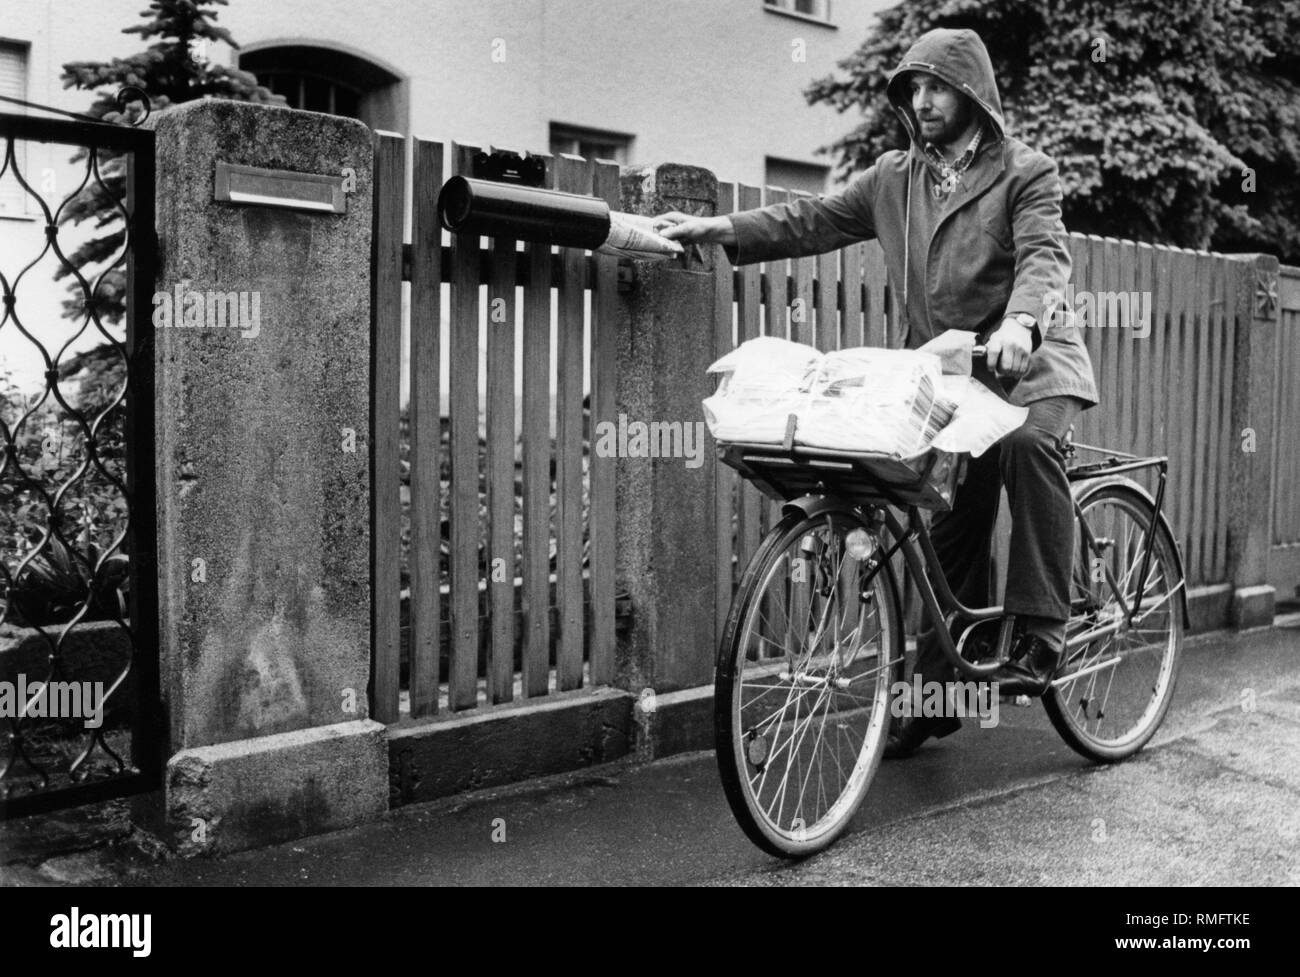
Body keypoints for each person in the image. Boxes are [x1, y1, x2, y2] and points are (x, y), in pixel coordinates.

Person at [655, 27, 1099, 757]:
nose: (921, 103)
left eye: (937, 88)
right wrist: (720, 228)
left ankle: (1042, 628)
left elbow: (1046, 258)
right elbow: (812, 219)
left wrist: (1022, 320)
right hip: (949, 374)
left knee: (1023, 443)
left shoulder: (1027, 171)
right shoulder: (895, 178)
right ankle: (936, 695)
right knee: (942, 514)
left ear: (973, 96)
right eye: (912, 90)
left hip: (1028, 364)